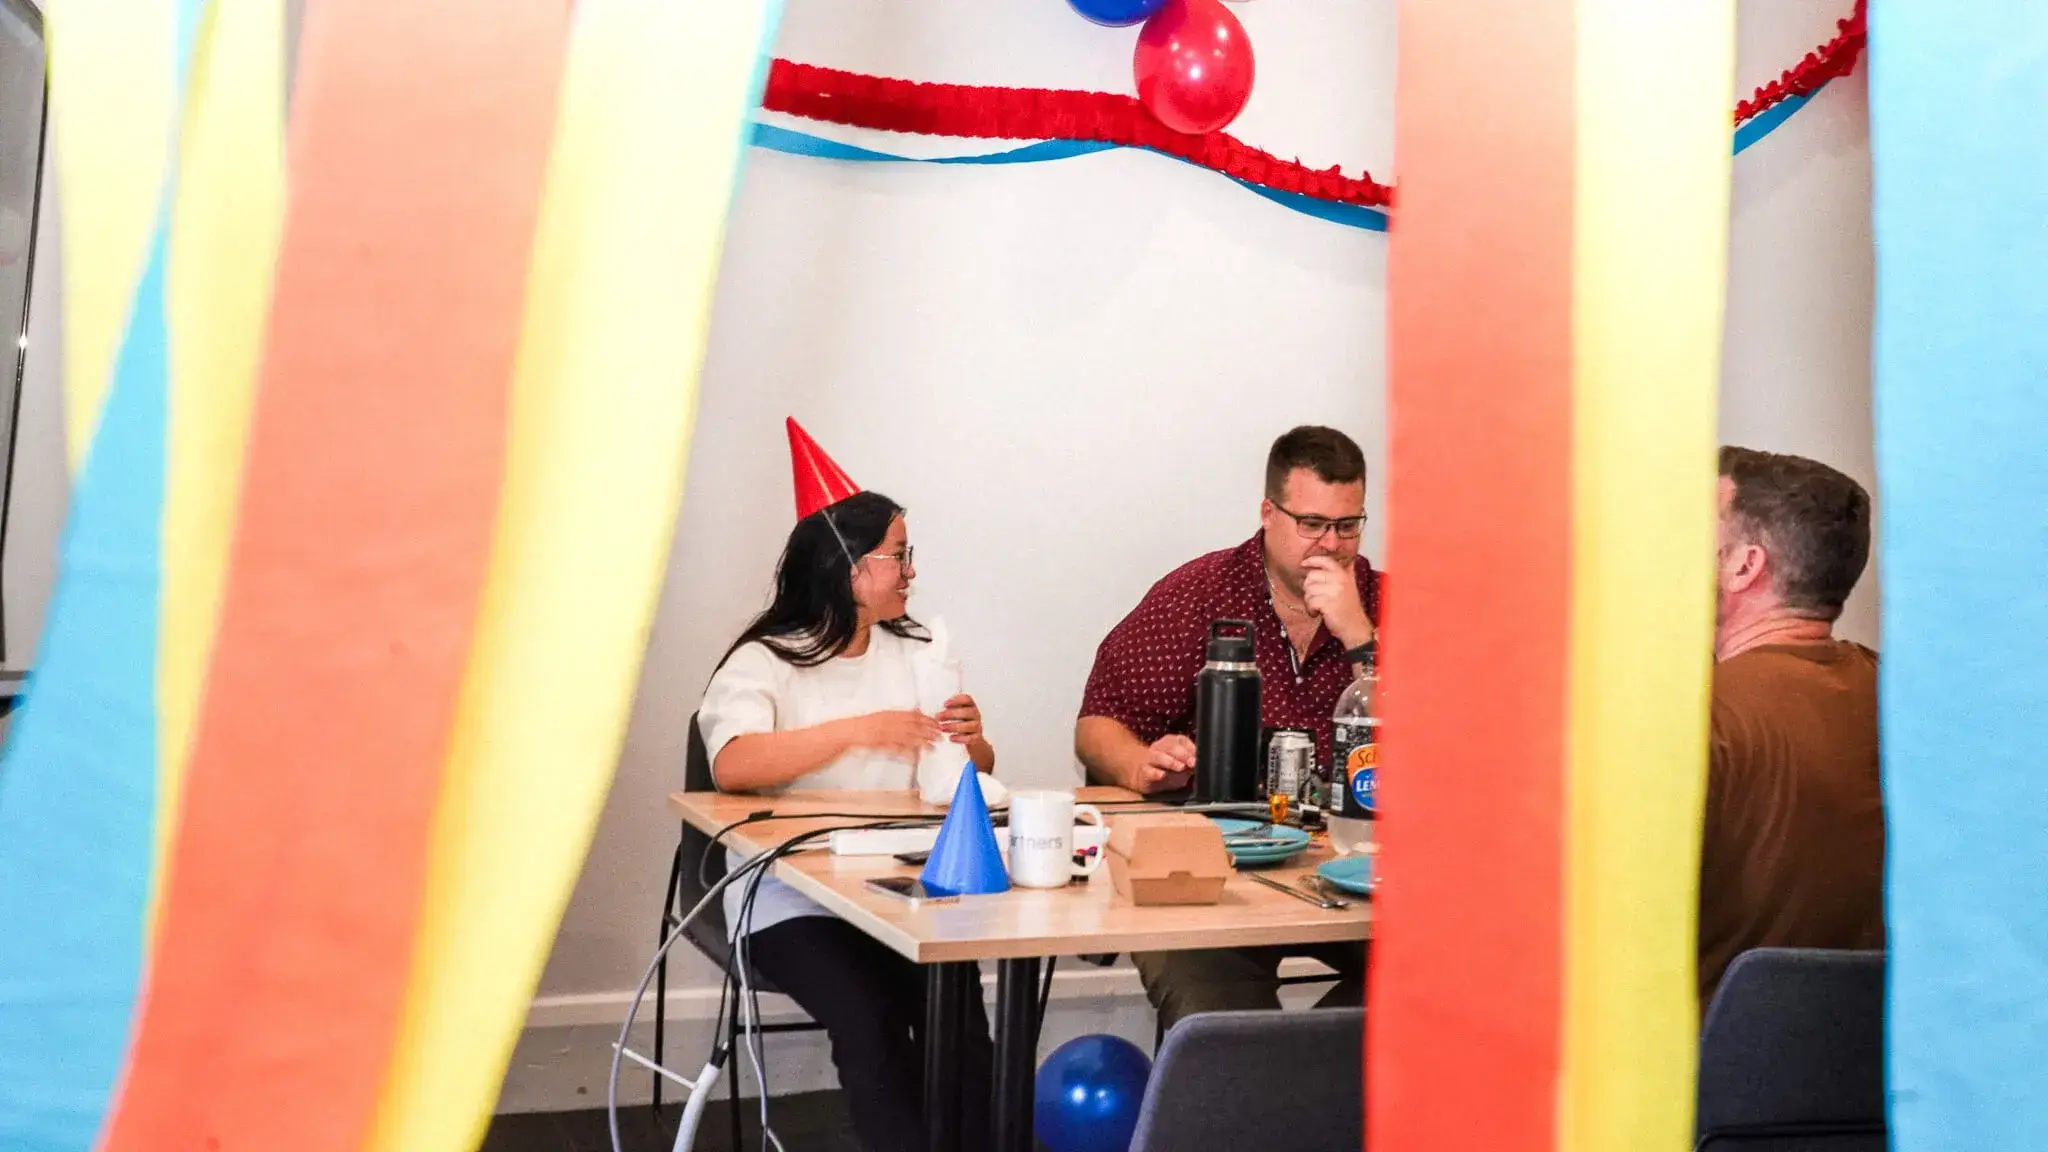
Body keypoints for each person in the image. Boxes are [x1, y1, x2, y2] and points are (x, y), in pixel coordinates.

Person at [699, 423, 995, 1152]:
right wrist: (858, 730)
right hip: (788, 900)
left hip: (897, 885)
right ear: (848, 568)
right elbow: (731, 765)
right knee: (867, 1010)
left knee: (954, 996)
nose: (911, 572)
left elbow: (970, 770)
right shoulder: (765, 661)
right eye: (899, 556)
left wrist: (973, 738)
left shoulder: (919, 649)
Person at [1075, 425, 1384, 1030]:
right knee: (1218, 1017)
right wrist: (1139, 763)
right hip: (1217, 870)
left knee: (1428, 988)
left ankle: (1309, 1096)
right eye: (1312, 524)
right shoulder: (1199, 593)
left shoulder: (1386, 603)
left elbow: (1443, 749)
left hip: (1352, 873)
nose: (1332, 546)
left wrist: (1359, 637)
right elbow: (1098, 723)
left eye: (1348, 526)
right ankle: (1247, 1097)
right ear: (1268, 513)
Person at [1698, 446, 1884, 1010]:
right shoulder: (1902, 702)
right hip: (1868, 1081)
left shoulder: (1696, 719)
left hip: (1705, 1086)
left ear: (1745, 566)